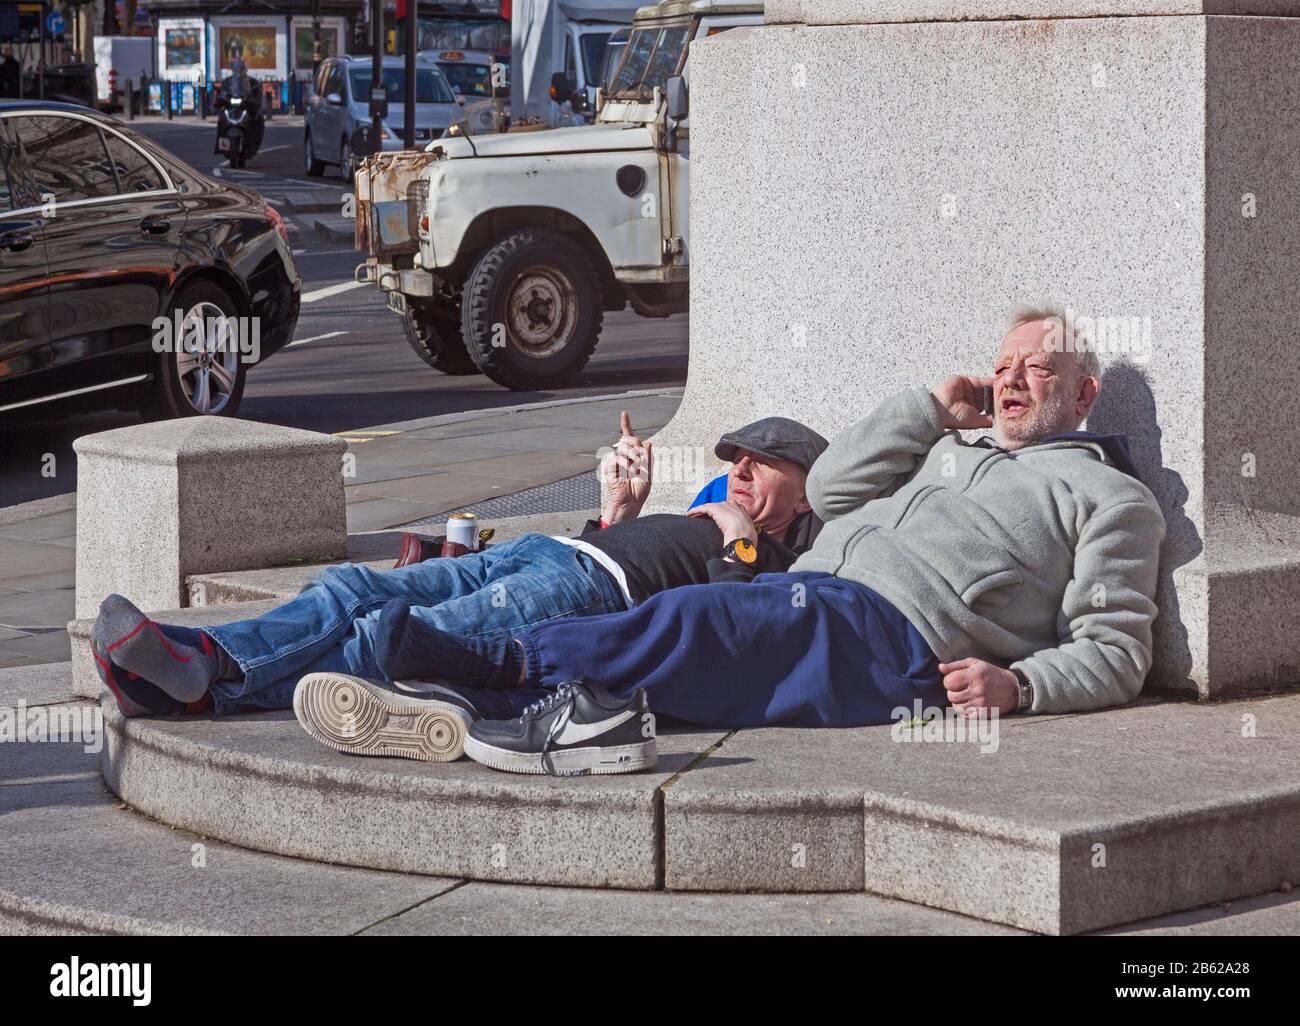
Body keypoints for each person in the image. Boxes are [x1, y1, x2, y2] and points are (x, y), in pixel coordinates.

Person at [352, 305, 1167, 774]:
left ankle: (499, 666)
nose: (1012, 380)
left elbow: (1117, 650)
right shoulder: (951, 448)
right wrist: (928, 410)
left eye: (1039, 370)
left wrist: (1018, 687)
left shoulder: (1108, 497)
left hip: (901, 642)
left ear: (1085, 394)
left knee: (698, 624)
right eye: (1004, 366)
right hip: (814, 597)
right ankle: (529, 710)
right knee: (706, 628)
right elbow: (831, 488)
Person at [90, 412, 830, 741]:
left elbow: (726, 629)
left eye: (763, 464)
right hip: (552, 554)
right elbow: (614, 549)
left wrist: (739, 543)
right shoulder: (713, 513)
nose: (739, 470)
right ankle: (199, 659)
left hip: (583, 595)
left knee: (400, 639)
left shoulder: (781, 568)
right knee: (351, 589)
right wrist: (618, 511)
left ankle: (194, 689)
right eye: (735, 457)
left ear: (807, 491)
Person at [213, 55, 264, 160]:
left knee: (258, 119)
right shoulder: (228, 81)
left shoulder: (251, 81)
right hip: (231, 109)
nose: (239, 70)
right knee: (221, 119)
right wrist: (222, 96)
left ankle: (253, 144)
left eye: (241, 68)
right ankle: (223, 143)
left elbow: (256, 92)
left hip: (244, 108)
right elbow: (222, 92)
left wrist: (254, 95)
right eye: (237, 68)